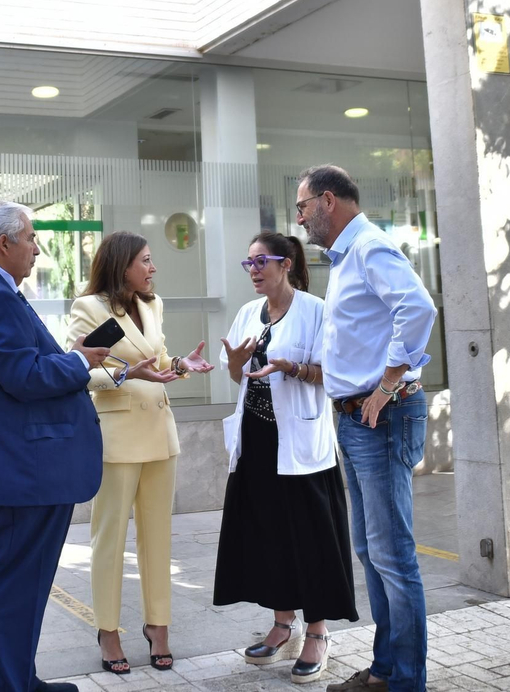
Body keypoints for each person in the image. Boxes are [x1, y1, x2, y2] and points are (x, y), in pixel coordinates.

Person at [0, 201, 115, 692]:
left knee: (24, 585)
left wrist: (73, 359)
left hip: (21, 467)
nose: (37, 249)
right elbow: (23, 376)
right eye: (31, 238)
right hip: (18, 472)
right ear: (5, 244)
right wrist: (80, 363)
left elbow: (18, 367)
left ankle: (21, 680)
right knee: (12, 586)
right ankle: (9, 686)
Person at [293, 166, 437, 692]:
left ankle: (407, 682)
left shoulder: (370, 247)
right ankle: (386, 670)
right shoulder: (349, 255)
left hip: (382, 416)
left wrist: (388, 381)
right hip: (356, 420)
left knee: (393, 556)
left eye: (303, 204)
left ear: (328, 201)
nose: (300, 216)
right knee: (372, 552)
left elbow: (418, 309)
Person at [66, 231, 213, 674]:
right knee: (108, 540)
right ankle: (108, 631)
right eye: (146, 261)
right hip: (117, 438)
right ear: (122, 264)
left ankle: (158, 626)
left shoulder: (153, 305)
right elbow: (78, 371)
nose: (152, 268)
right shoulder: (88, 308)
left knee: (158, 538)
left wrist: (182, 366)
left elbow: (160, 363)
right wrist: (133, 374)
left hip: (159, 433)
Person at [214, 231, 357, 685]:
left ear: (287, 264)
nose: (254, 270)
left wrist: (291, 367)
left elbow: (331, 374)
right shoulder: (246, 314)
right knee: (268, 535)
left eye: (262, 262)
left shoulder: (316, 311)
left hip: (301, 444)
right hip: (257, 442)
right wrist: (237, 362)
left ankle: (317, 632)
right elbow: (239, 375)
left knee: (310, 537)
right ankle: (282, 624)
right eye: (249, 263)